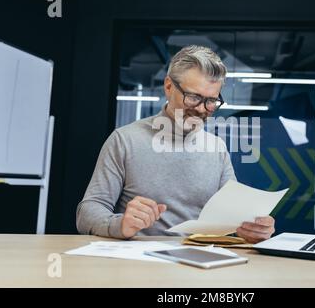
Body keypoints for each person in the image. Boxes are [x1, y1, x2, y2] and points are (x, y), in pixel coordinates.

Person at [76, 45, 275, 243]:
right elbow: (87, 213)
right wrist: (121, 225)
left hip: (200, 262)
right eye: (194, 97)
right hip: (140, 263)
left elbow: (234, 216)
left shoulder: (217, 148)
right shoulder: (125, 140)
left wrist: (253, 228)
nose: (201, 109)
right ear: (169, 86)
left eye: (211, 101)